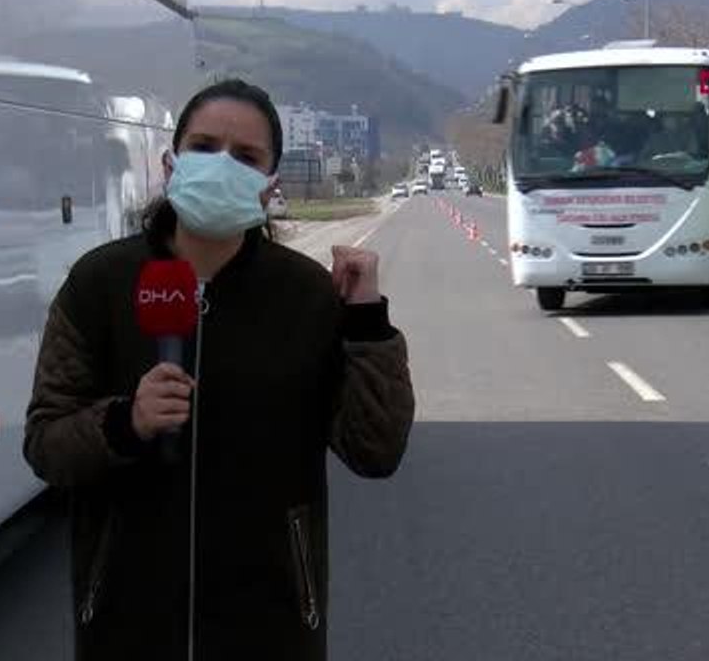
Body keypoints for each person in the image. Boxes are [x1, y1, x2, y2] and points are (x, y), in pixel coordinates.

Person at [23, 79, 416, 661]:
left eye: (246, 157)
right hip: (124, 627)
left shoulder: (306, 296)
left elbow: (375, 450)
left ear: (268, 185)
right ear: (171, 162)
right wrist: (123, 424)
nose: (221, 165)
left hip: (272, 627)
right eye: (204, 147)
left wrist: (366, 324)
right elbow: (45, 445)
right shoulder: (99, 284)